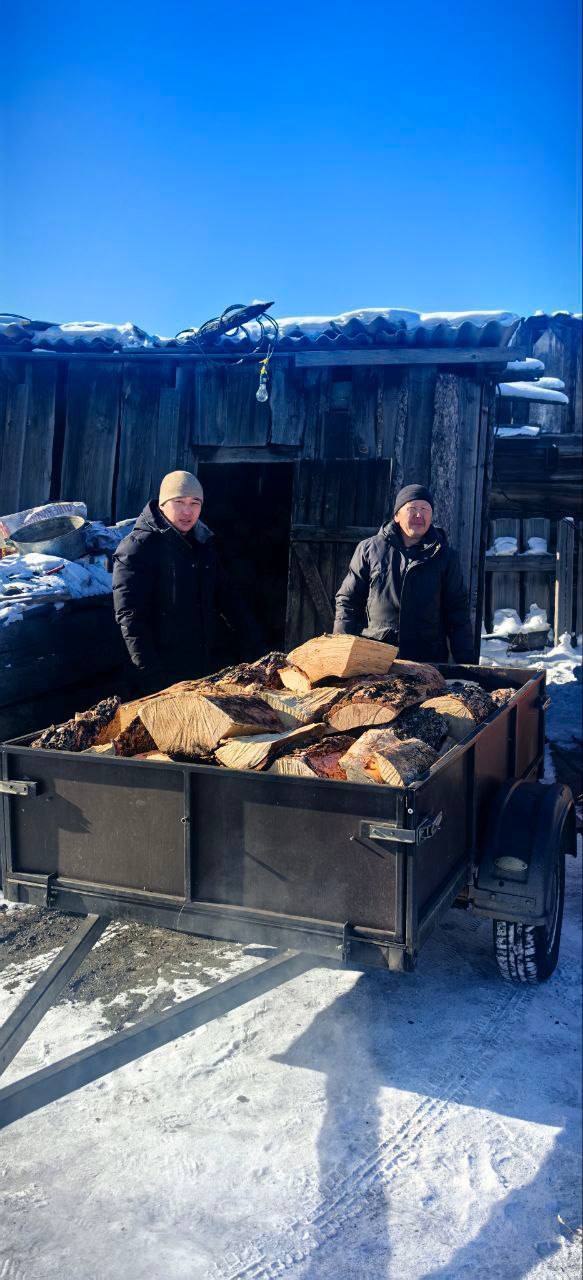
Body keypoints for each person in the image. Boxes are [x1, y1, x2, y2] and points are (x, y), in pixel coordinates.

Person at [112, 470, 261, 694]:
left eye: (195, 503)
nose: (187, 511)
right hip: (159, 674)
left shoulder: (203, 545)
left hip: (201, 668)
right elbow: (130, 618)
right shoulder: (138, 548)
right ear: (163, 504)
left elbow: (229, 598)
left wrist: (256, 647)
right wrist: (152, 679)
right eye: (179, 502)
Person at [334, 483, 474, 664]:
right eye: (412, 508)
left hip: (427, 660)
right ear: (397, 516)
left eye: (425, 509)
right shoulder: (370, 549)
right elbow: (348, 601)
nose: (419, 515)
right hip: (377, 657)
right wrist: (341, 651)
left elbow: (457, 611)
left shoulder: (445, 556)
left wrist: (467, 664)